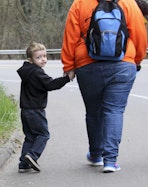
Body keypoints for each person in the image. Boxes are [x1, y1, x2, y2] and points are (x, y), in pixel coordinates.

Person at [61, 0, 147, 173]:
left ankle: (95, 155)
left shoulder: (80, 4)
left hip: (87, 64)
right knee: (114, 111)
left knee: (93, 112)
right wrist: (136, 60)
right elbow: (139, 34)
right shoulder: (128, 3)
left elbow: (70, 36)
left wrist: (68, 66)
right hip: (122, 64)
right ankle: (110, 160)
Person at [17, 41, 75, 173]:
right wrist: (67, 78)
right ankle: (32, 155)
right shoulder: (36, 72)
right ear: (30, 60)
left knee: (30, 137)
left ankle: (23, 164)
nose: (43, 59)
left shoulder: (27, 71)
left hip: (25, 110)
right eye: (39, 57)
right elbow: (51, 84)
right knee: (43, 134)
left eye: (44, 56)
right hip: (35, 110)